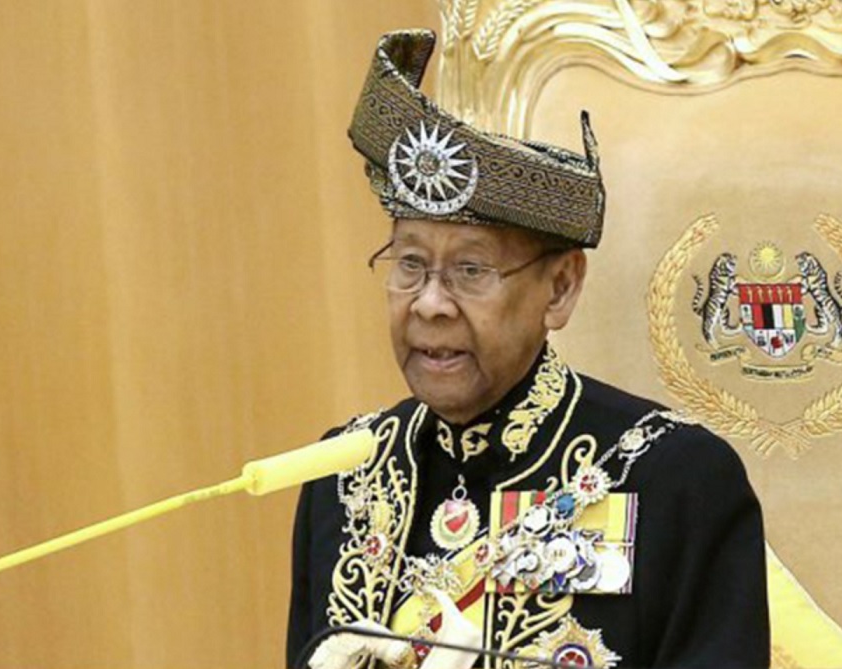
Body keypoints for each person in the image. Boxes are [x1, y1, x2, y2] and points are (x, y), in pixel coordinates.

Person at [287, 29, 769, 669]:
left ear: (561, 287)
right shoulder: (341, 479)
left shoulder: (673, 478)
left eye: (470, 271)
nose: (430, 302)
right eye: (409, 264)